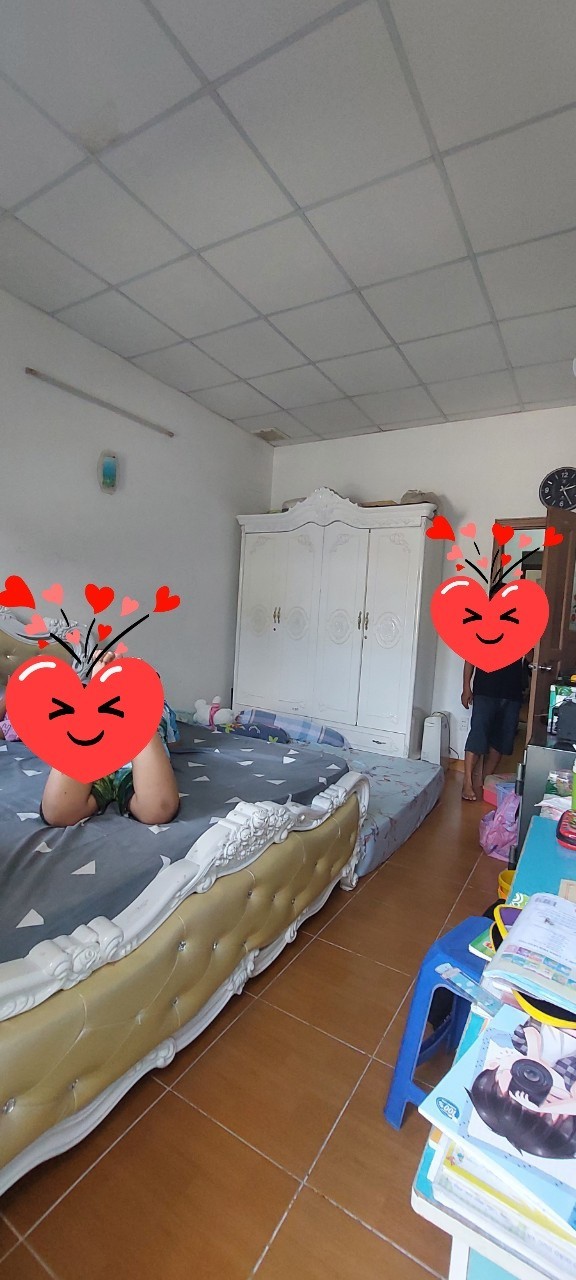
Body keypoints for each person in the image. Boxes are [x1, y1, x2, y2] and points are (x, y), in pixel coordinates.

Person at [40, 650, 180, 827]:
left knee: (158, 809)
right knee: (57, 812)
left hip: (137, 766)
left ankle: (133, 706)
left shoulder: (164, 710)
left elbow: (173, 742)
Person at [469, 1018, 576, 1159]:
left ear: (494, 1065)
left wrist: (533, 1055)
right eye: (546, 1097)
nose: (532, 1087)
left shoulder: (521, 1044)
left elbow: (532, 1026)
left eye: (515, 1085)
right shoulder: (569, 1074)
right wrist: (545, 1107)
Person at [461, 656, 523, 801]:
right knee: (478, 735)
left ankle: (485, 781)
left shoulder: (521, 641)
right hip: (485, 689)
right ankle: (467, 783)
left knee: (501, 740)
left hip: (512, 692)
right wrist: (466, 688)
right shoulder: (484, 639)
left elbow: (532, 660)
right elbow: (470, 658)